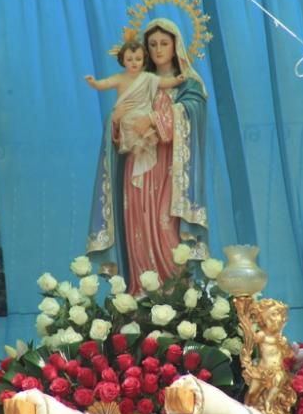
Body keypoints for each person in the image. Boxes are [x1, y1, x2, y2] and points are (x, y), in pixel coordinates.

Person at [86, 18, 210, 293]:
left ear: (176, 45)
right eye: (152, 44)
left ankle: (174, 294)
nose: (158, 49)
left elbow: (194, 111)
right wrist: (117, 122)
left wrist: (155, 120)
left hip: (171, 169)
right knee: (138, 222)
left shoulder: (187, 84)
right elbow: (119, 118)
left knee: (166, 226)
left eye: (164, 43)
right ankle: (141, 291)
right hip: (137, 164)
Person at [84, 40, 186, 189]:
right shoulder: (120, 78)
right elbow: (105, 83)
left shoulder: (148, 78)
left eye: (138, 59)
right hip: (126, 115)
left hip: (143, 112)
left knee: (139, 121)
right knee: (128, 122)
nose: (134, 63)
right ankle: (139, 143)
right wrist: (94, 83)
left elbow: (164, 83)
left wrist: (176, 80)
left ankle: (146, 139)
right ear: (122, 60)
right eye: (130, 59)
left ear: (144, 60)